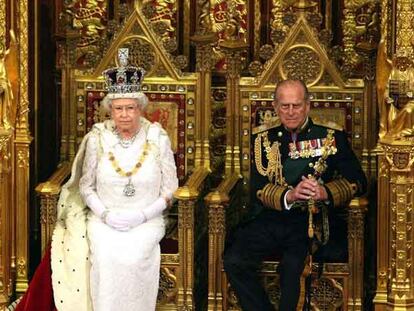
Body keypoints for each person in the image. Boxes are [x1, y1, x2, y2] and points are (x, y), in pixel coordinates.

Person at [16, 49, 178, 311]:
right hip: (105, 221)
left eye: (130, 108)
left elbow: (171, 188)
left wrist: (143, 215)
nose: (124, 114)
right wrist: (105, 214)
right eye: (118, 109)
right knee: (105, 255)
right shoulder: (97, 139)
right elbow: (86, 186)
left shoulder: (157, 138)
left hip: (146, 221)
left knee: (134, 258)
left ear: (140, 108)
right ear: (109, 111)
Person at [223, 79, 367, 310]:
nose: (290, 112)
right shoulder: (263, 139)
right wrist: (289, 195)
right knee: (235, 260)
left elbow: (358, 181)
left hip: (310, 220)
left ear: (308, 106)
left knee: (292, 268)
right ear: (275, 106)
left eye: (296, 105)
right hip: (271, 216)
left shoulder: (330, 136)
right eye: (284, 106)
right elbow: (258, 187)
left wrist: (324, 191)